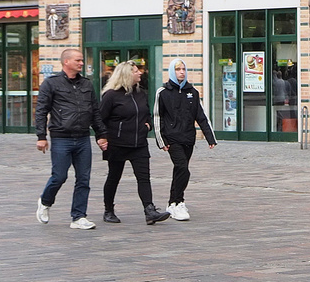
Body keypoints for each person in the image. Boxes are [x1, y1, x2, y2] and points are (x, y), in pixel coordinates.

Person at [35, 47, 107, 230]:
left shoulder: (86, 84)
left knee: (84, 179)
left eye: (82, 60)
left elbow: (95, 111)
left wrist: (101, 135)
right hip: (61, 138)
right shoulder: (51, 84)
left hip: (83, 137)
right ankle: (45, 202)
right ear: (66, 62)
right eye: (78, 60)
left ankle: (78, 216)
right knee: (59, 176)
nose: (81, 63)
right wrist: (41, 136)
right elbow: (41, 111)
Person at [99, 60, 171, 225]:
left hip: (139, 143)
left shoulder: (141, 93)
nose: (140, 73)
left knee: (144, 177)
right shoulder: (110, 95)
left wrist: (148, 125)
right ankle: (108, 210)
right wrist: (102, 137)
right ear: (126, 74)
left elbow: (146, 113)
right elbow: (100, 119)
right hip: (117, 143)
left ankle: (149, 210)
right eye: (136, 71)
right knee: (114, 177)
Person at [157, 58, 217, 221]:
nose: (181, 72)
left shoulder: (193, 92)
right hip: (172, 139)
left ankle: (172, 203)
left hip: (188, 138)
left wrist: (210, 137)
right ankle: (179, 201)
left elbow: (201, 116)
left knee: (179, 170)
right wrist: (161, 140)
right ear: (172, 72)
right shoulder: (163, 92)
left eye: (183, 69)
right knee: (182, 167)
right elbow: (157, 117)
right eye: (178, 69)